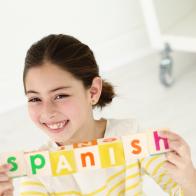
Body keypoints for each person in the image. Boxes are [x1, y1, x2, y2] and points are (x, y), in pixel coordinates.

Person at [0, 34, 196, 196]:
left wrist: (189, 180)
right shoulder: (37, 172)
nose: (47, 112)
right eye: (35, 99)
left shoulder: (130, 136)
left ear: (93, 92)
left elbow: (180, 190)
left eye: (60, 95)